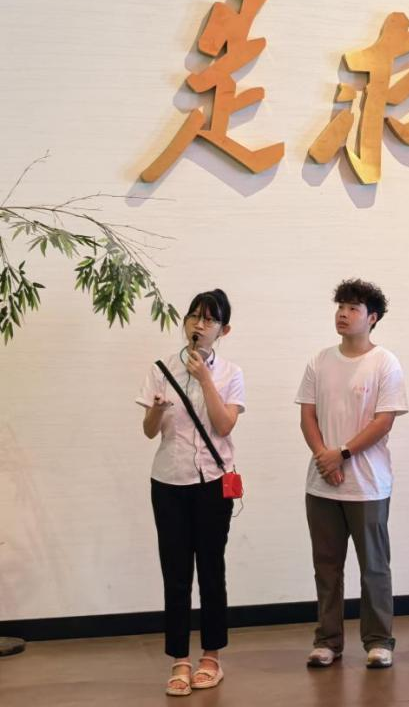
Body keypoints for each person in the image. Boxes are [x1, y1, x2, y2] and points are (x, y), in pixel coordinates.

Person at [137, 289, 245, 696]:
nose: (199, 324)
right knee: (176, 572)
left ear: (223, 330)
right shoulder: (161, 368)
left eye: (210, 319)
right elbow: (149, 432)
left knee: (212, 570)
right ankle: (180, 660)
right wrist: (156, 410)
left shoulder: (231, 373)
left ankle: (211, 657)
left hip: (213, 483)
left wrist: (205, 379)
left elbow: (224, 425)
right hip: (168, 481)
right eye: (194, 316)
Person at [297, 279, 409, 670]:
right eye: (340, 306)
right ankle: (327, 641)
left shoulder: (385, 362)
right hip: (322, 484)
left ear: (372, 318)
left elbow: (384, 421)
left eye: (353, 308)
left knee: (374, 567)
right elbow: (307, 416)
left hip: (368, 485)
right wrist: (324, 458)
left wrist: (341, 454)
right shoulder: (319, 360)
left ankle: (379, 641)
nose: (343, 314)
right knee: (326, 567)